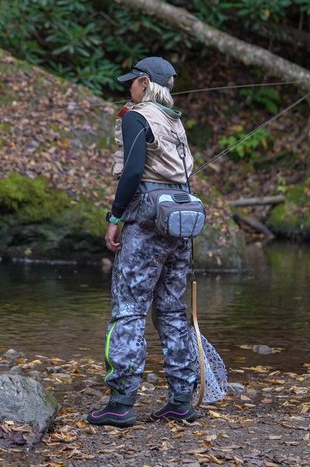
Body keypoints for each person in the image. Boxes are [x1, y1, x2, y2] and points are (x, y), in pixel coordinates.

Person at [87, 56, 199, 427]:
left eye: (132, 81)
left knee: (130, 309)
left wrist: (115, 217)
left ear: (145, 82)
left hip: (146, 225)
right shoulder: (175, 121)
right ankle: (181, 400)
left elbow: (133, 171)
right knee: (171, 311)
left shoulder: (138, 115)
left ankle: (121, 402)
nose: (129, 87)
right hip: (180, 227)